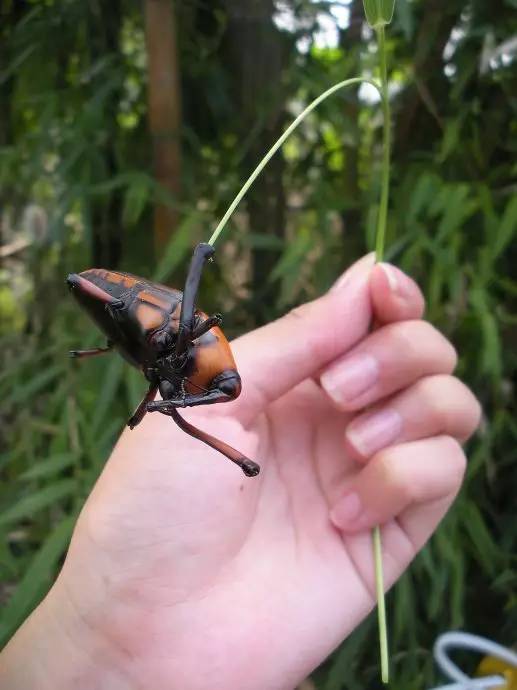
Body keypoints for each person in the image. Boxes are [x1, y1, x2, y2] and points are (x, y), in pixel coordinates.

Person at [0, 255, 481, 690]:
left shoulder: (197, 367)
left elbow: (194, 366)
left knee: (187, 389)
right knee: (182, 385)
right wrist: (105, 650)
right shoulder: (187, 352)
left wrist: (118, 662)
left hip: (166, 345)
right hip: (160, 335)